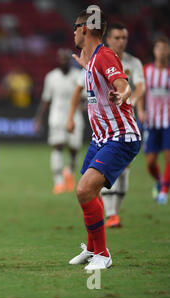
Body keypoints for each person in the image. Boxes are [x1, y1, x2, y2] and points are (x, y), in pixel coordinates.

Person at [69, 8, 141, 270]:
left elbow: (122, 83)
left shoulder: (105, 56)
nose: (74, 32)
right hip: (101, 138)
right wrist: (85, 65)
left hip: (120, 136)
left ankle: (103, 254)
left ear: (85, 28)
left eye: (75, 27)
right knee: (88, 191)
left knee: (85, 190)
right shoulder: (93, 59)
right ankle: (91, 248)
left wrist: (122, 94)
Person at [35, 48, 84, 194]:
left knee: (74, 148)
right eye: (61, 58)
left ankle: (69, 171)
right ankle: (58, 182)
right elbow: (46, 99)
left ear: (69, 60)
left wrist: (85, 106)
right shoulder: (51, 77)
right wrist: (38, 118)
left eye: (66, 58)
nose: (63, 61)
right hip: (57, 116)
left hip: (74, 116)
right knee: (57, 146)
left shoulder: (78, 76)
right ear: (58, 60)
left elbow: (86, 97)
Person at [137, 36, 170, 205]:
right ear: (154, 51)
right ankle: (159, 181)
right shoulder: (147, 71)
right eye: (159, 48)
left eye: (165, 48)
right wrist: (141, 110)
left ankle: (164, 191)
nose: (162, 52)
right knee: (150, 163)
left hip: (168, 123)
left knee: (168, 158)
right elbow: (141, 92)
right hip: (151, 122)